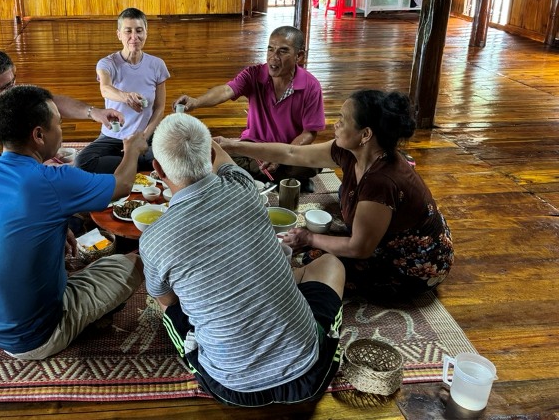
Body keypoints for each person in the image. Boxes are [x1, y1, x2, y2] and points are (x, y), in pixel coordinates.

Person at [140, 113, 345, 407]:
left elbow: (168, 299)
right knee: (331, 265)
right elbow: (220, 157)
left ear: (157, 168)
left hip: (231, 388)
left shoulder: (153, 239)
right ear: (210, 154)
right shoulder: (244, 186)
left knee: (169, 308)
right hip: (309, 377)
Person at [0, 85, 146, 359]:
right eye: (58, 124)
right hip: (35, 337)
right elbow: (122, 185)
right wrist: (132, 149)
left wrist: (58, 228)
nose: (61, 131)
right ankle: (80, 321)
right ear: (38, 135)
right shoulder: (52, 181)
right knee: (141, 259)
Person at [217, 89, 454, 300]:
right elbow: (291, 153)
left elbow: (360, 249)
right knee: (307, 249)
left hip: (415, 264)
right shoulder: (352, 152)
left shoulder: (381, 180)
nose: (335, 124)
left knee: (311, 263)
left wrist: (308, 238)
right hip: (380, 237)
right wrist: (232, 145)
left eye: (343, 119)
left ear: (366, 134)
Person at [0, 48, 124, 240]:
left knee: (75, 204)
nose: (13, 89)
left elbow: (42, 103)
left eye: (13, 82)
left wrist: (94, 112)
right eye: (7, 87)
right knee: (67, 219)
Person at [172, 26, 324, 190]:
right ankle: (284, 181)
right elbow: (226, 90)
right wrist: (196, 102)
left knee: (314, 161)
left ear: (298, 56)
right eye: (270, 49)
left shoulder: (311, 86)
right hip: (252, 148)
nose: (274, 57)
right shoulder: (254, 74)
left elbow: (309, 133)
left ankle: (251, 177)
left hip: (287, 151)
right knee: (208, 153)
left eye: (283, 51)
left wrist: (281, 157)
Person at [75, 8, 169, 174]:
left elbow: (160, 108)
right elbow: (105, 89)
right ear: (119, 34)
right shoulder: (107, 63)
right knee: (82, 162)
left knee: (171, 159)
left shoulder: (157, 65)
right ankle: (135, 164)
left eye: (139, 31)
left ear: (146, 32)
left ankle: (126, 164)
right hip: (114, 137)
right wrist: (126, 97)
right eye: (128, 31)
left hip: (144, 136)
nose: (134, 37)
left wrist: (144, 137)